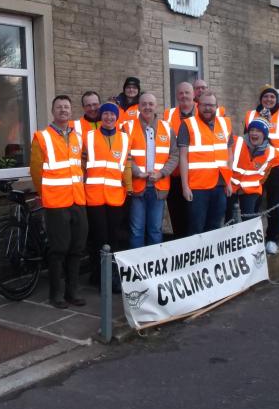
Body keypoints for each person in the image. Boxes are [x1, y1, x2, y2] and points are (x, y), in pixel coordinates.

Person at [30, 95, 88, 308]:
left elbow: (80, 166)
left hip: (77, 200)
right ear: (53, 111)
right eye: (59, 107)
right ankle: (57, 294)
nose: (63, 110)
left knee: (77, 248)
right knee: (58, 249)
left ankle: (73, 291)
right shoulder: (42, 137)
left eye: (66, 107)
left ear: (70, 111)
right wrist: (44, 194)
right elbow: (36, 171)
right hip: (56, 202)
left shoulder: (76, 137)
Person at [83, 103, 131, 291]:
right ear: (101, 117)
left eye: (112, 114)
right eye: (106, 114)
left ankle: (111, 275)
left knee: (114, 237)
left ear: (117, 117)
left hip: (116, 196)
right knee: (99, 237)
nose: (109, 117)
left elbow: (126, 165)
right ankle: (98, 276)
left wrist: (130, 187)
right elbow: (82, 162)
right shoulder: (89, 137)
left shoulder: (124, 139)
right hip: (94, 196)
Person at [243, 85, 279, 254]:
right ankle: (253, 238)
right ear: (261, 99)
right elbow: (246, 141)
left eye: (272, 97)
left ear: (276, 99)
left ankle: (272, 238)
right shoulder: (251, 115)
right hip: (255, 168)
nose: (269, 99)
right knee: (254, 203)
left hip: (276, 167)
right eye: (266, 97)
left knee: (274, 203)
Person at [125, 92, 178, 248]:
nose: (147, 107)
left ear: (156, 106)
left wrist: (161, 173)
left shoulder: (167, 128)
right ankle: (136, 270)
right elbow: (124, 155)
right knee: (136, 231)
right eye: (144, 104)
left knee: (155, 230)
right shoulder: (127, 127)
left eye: (151, 104)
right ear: (139, 106)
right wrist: (137, 172)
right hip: (137, 187)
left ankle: (153, 269)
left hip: (158, 187)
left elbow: (174, 154)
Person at [179, 91, 234, 235]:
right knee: (196, 227)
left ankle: (211, 257)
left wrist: (228, 182)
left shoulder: (226, 123)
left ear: (217, 106)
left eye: (211, 105)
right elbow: (183, 157)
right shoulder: (188, 124)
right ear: (198, 105)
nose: (207, 108)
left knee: (215, 227)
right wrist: (185, 186)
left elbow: (229, 154)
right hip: (198, 187)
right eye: (204, 105)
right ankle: (195, 257)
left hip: (220, 185)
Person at [163, 81, 196, 239]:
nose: (184, 96)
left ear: (193, 95)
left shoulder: (202, 113)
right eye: (180, 93)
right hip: (174, 175)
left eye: (187, 93)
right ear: (176, 96)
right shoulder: (167, 115)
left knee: (194, 219)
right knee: (177, 217)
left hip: (196, 177)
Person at [230, 118, 278, 220]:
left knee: (248, 219)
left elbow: (266, 174)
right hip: (231, 188)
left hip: (252, 190)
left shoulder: (272, 153)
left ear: (264, 134)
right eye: (252, 130)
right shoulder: (236, 142)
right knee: (229, 219)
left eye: (258, 131)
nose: (254, 133)